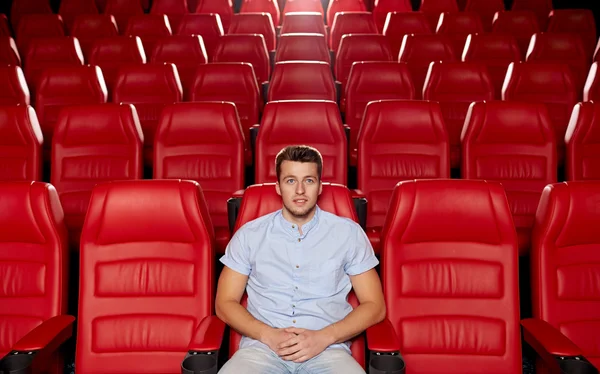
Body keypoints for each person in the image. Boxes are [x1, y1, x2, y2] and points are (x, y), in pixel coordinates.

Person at [216, 145, 385, 374]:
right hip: (262, 350)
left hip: (328, 350)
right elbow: (225, 303)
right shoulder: (249, 234)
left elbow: (375, 306)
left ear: (320, 187)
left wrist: (324, 337)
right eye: (290, 181)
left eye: (308, 180)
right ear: (278, 187)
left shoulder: (349, 233)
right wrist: (269, 335)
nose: (300, 191)